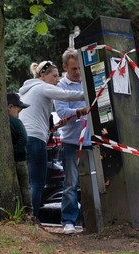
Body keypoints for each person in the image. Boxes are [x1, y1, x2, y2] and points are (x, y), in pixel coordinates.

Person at [18, 60, 88, 220]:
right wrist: (91, 92)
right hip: (36, 141)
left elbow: (32, 119)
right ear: (43, 75)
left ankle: (24, 218)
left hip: (23, 139)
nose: (57, 80)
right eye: (54, 76)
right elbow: (67, 95)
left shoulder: (25, 91)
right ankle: (33, 220)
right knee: (37, 184)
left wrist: (53, 129)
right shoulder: (42, 87)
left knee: (27, 183)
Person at [54, 49, 91, 234]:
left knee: (89, 183)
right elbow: (61, 113)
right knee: (71, 184)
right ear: (65, 67)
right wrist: (79, 112)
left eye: (80, 68)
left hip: (91, 142)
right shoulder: (61, 87)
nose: (77, 72)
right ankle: (68, 220)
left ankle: (89, 220)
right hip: (71, 141)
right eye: (74, 68)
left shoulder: (88, 83)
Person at [7, 93, 33, 216]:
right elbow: (24, 139)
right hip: (20, 160)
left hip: (8, 161)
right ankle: (29, 211)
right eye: (18, 109)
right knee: (24, 186)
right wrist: (15, 151)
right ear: (10, 107)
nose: (19, 113)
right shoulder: (16, 122)